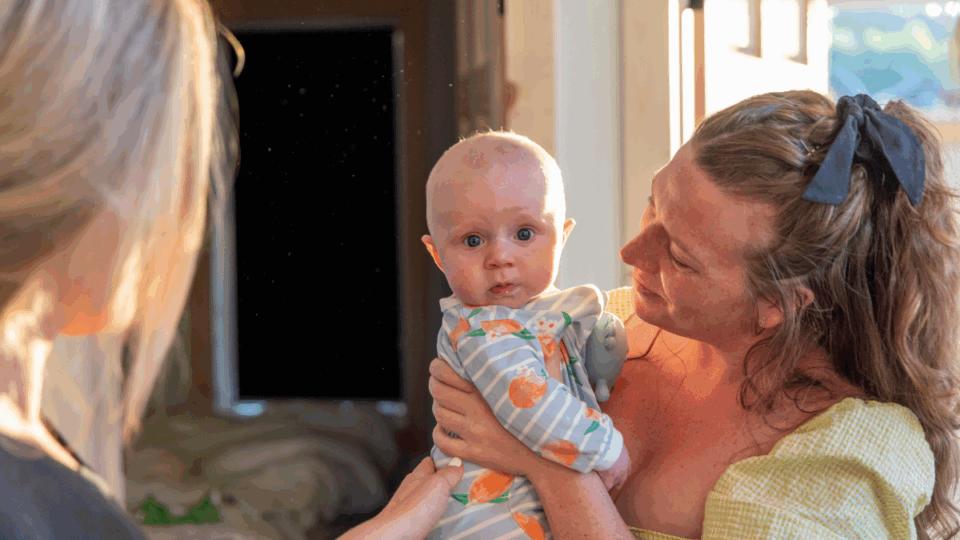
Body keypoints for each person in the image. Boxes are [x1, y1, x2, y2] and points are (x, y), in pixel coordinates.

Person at [426, 91, 960, 539]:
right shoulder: (605, 323)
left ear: (779, 303)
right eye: (653, 203)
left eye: (679, 257)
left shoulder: (844, 455)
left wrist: (552, 468)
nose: (631, 253)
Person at [419, 131, 629, 539]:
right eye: (473, 240)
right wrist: (606, 448)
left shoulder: (541, 315)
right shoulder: (482, 330)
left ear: (562, 236)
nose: (500, 257)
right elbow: (531, 401)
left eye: (525, 234)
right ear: (436, 254)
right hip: (490, 522)